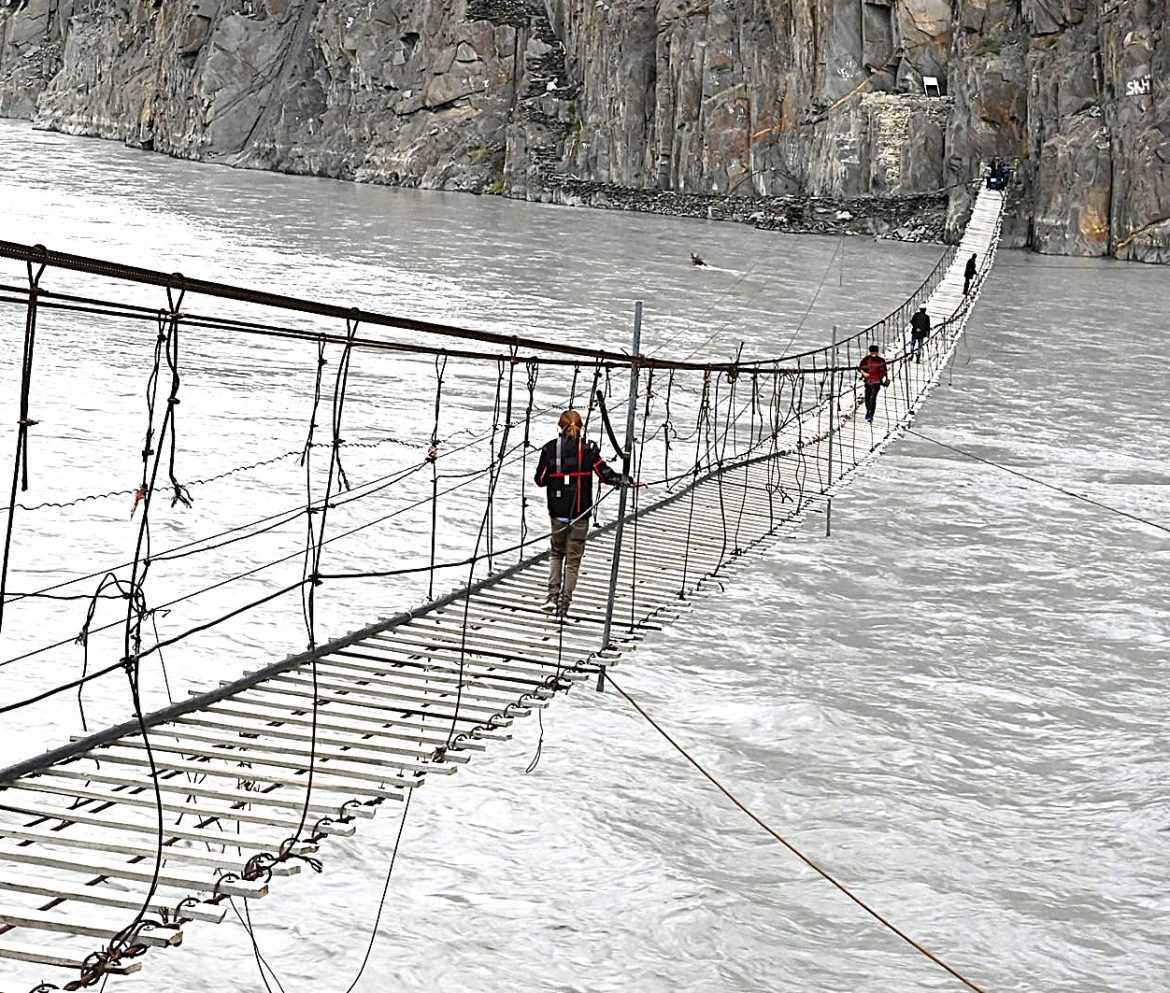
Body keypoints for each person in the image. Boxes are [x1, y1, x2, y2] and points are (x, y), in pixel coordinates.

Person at [534, 410, 628, 615]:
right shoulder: (588, 449)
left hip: (557, 512)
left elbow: (540, 480)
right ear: (581, 427)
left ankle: (551, 596)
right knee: (573, 561)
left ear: (560, 426)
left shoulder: (550, 448)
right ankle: (564, 606)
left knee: (556, 553)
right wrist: (625, 480)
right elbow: (605, 474)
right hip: (581, 512)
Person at [857, 345, 888, 423]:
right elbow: (860, 368)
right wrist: (864, 374)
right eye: (872, 352)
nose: (874, 354)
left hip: (877, 382)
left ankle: (871, 414)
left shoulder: (881, 360)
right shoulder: (866, 359)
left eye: (875, 352)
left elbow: (884, 370)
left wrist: (884, 378)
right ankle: (868, 411)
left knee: (873, 398)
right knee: (867, 398)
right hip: (868, 381)